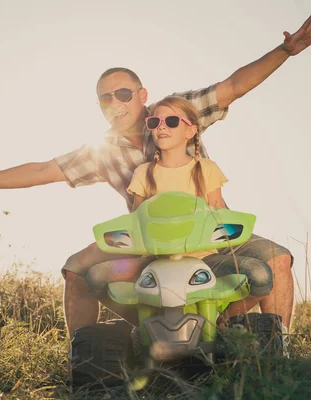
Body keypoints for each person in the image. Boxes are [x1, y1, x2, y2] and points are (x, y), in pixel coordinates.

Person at [0, 13, 311, 339]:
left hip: (207, 231)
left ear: (142, 95)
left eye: (123, 93)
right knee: (76, 270)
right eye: (106, 97)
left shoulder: (176, 111)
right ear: (99, 105)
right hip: (146, 239)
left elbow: (234, 86)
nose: (115, 102)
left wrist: (284, 51)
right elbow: (40, 170)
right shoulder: (101, 151)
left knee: (277, 261)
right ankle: (96, 354)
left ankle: (274, 351)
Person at [85, 95, 274, 321]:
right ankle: (142, 325)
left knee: (260, 275)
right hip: (154, 261)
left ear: (190, 131)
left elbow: (218, 213)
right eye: (155, 122)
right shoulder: (143, 173)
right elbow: (136, 222)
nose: (162, 126)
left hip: (203, 259)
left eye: (172, 121)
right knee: (96, 277)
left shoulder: (206, 169)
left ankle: (222, 324)